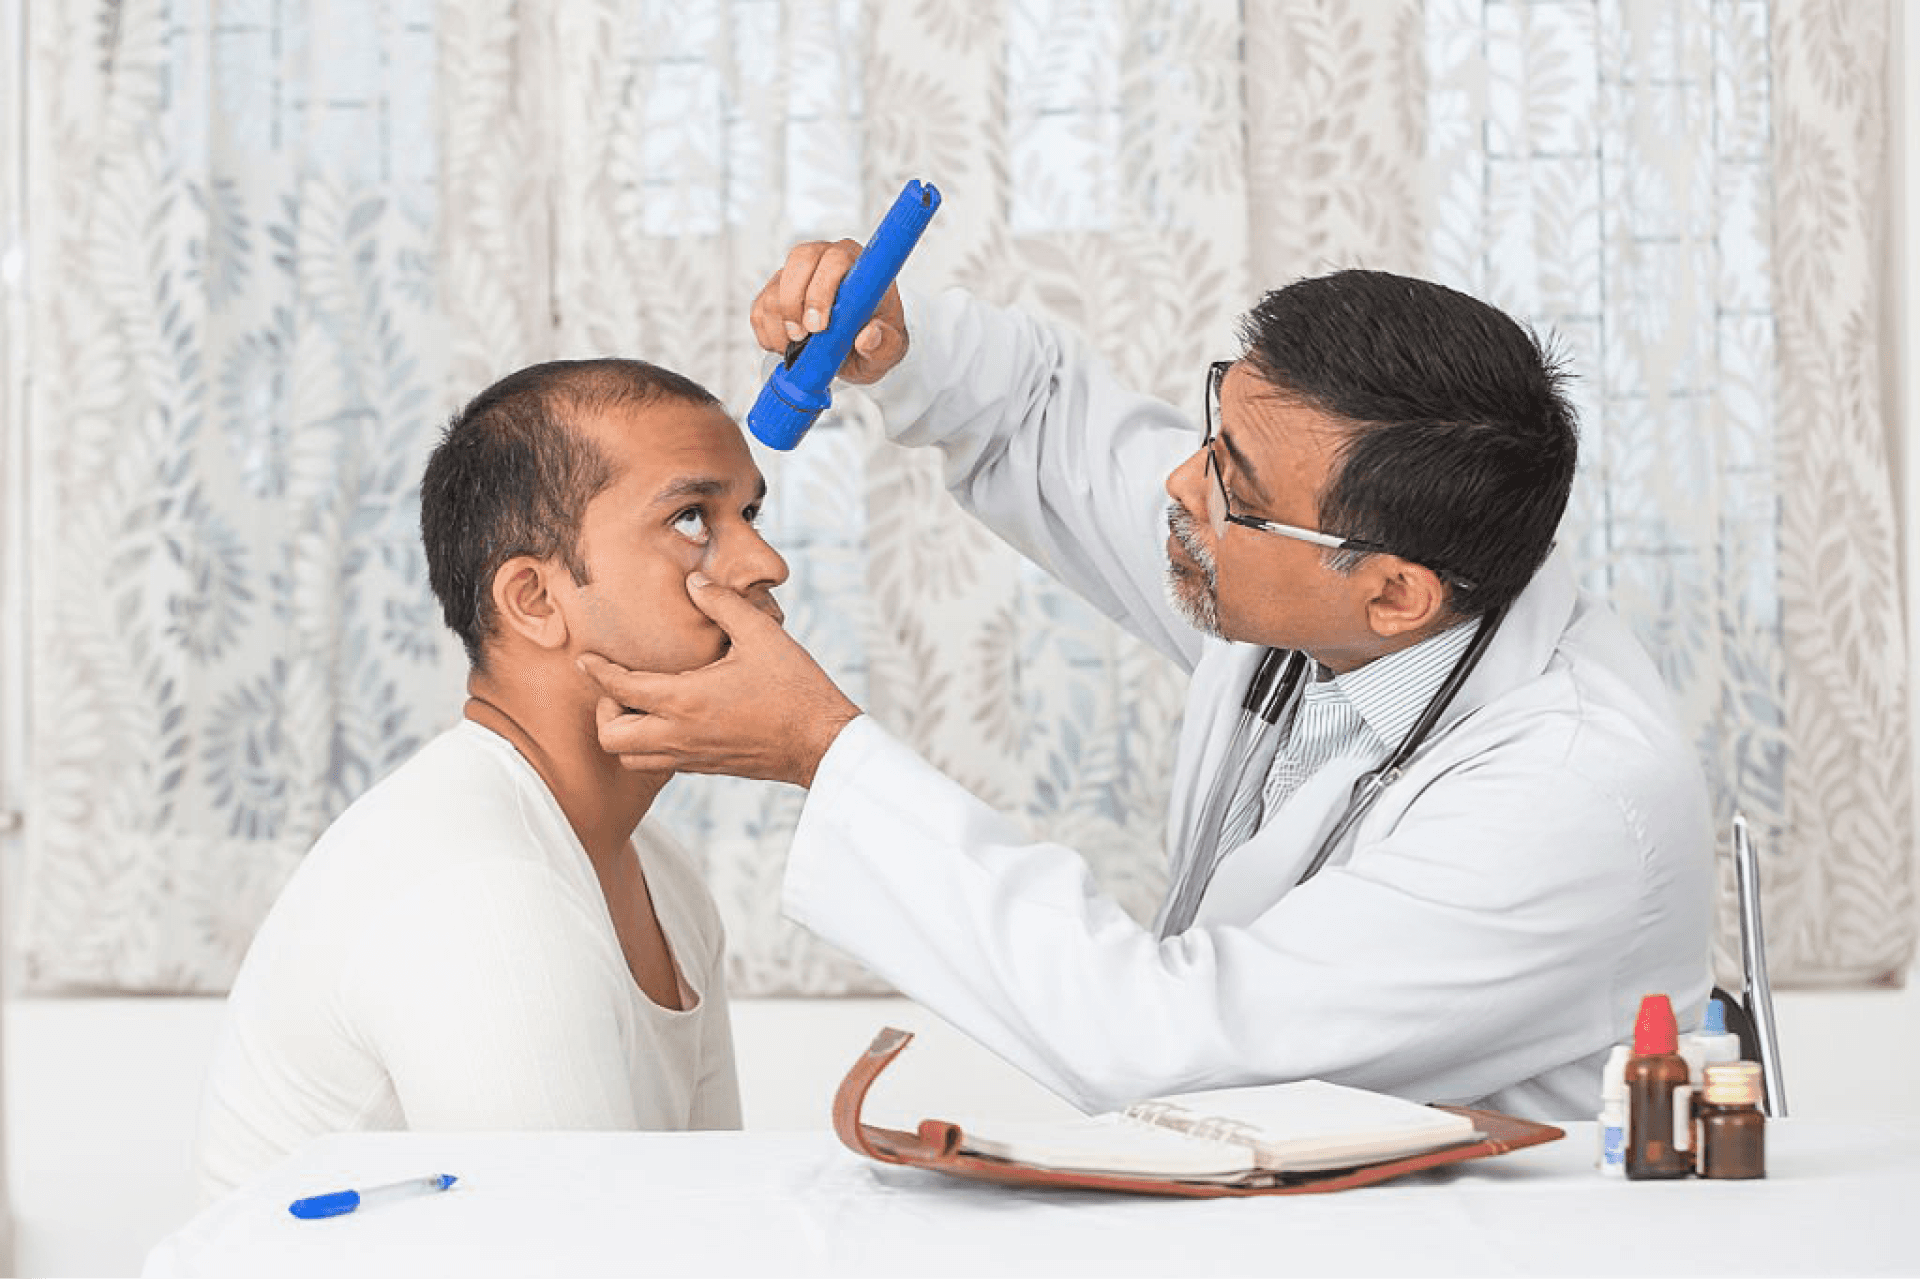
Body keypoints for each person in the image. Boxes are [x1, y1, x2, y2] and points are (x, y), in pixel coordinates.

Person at [578, 252, 1715, 1123]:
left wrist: (823, 750)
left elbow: (1162, 1039)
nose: (1179, 481)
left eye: (1230, 478)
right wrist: (897, 343)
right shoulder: (1328, 571)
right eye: (1213, 429)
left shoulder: (1568, 799)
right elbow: (1039, 422)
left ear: (1395, 597)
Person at [192, 358, 785, 1199]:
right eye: (693, 517)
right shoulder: (483, 889)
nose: (766, 562)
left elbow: (709, 1217)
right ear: (535, 599)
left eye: (751, 512)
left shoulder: (662, 873)